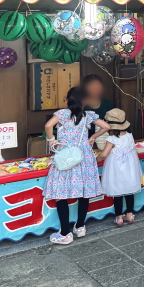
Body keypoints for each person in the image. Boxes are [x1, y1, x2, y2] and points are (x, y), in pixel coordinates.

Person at [43, 86, 110, 244]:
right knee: (84, 192)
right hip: (84, 156)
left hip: (66, 157)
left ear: (67, 100)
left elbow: (48, 126)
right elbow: (106, 126)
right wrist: (93, 136)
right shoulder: (88, 116)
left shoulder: (62, 114)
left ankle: (65, 233)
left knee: (60, 194)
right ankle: (80, 227)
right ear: (85, 101)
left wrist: (51, 140)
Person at [96, 108, 142, 227]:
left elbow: (104, 154)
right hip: (129, 168)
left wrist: (95, 160)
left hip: (116, 169)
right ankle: (130, 214)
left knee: (117, 192)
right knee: (129, 191)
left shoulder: (111, 139)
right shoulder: (129, 135)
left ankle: (119, 217)